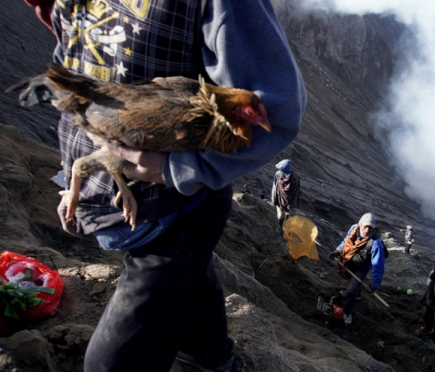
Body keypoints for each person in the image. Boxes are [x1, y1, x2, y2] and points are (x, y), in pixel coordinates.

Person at [23, 1, 306, 371]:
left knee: (111, 364)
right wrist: (75, 177)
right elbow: (78, 50)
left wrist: (181, 168)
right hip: (121, 187)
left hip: (171, 207)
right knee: (190, 274)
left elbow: (275, 111)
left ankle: (205, 352)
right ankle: (210, 356)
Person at [328, 213, 386, 325]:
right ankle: (357, 295)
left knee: (352, 290)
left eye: (370, 228)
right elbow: (346, 241)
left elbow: (378, 265)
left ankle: (347, 312)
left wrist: (373, 285)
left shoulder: (375, 243)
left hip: (363, 267)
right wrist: (338, 251)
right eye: (365, 226)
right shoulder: (354, 229)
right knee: (352, 281)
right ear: (360, 224)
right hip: (352, 259)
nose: (367, 230)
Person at [271, 159, 300, 235]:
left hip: (288, 200)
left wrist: (292, 201)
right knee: (280, 214)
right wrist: (273, 196)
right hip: (279, 197)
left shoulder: (294, 179)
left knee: (287, 214)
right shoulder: (278, 174)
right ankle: (280, 225)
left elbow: (295, 191)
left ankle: (284, 226)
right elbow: (275, 186)